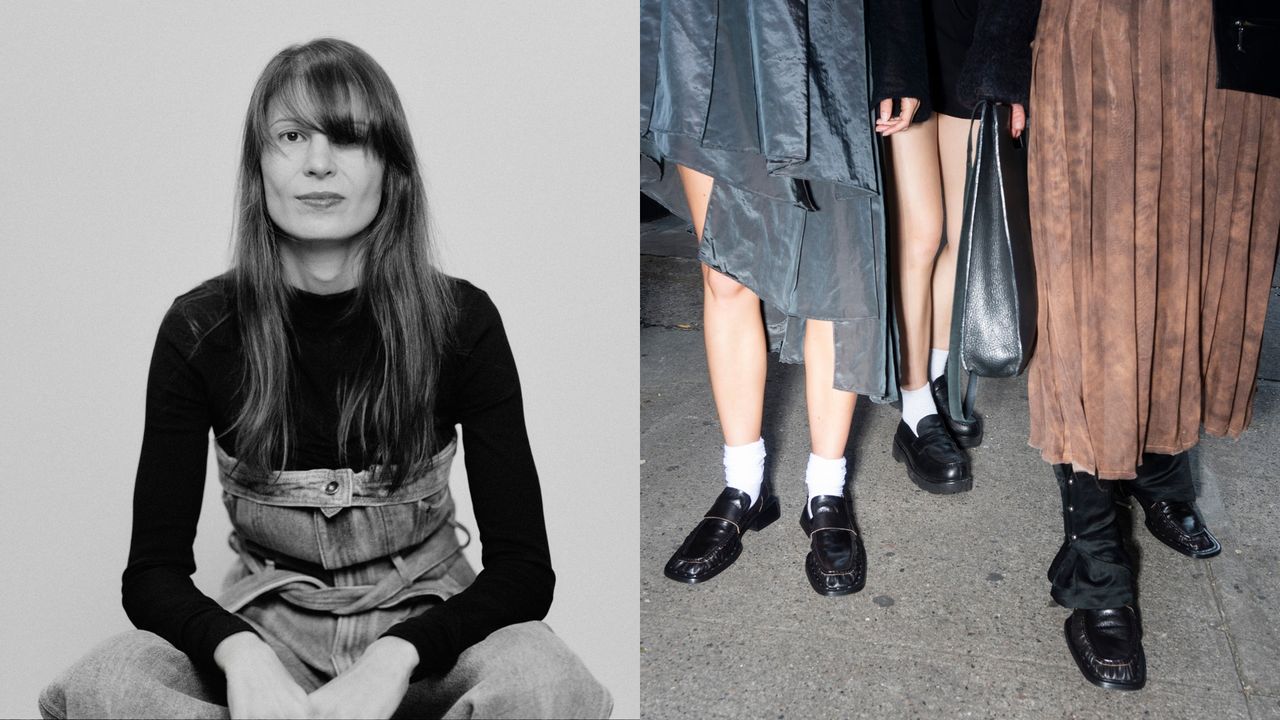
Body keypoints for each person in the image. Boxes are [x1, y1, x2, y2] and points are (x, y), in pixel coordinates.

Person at [38, 38, 611, 719]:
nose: (317, 163)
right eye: (290, 136)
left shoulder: (461, 321)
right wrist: (241, 654)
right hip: (265, 630)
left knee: (545, 682)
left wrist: (394, 658)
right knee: (110, 681)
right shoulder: (200, 330)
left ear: (389, 167)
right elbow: (151, 574)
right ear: (259, 167)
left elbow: (523, 571)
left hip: (430, 632)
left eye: (348, 138)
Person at [1027, 1, 1280, 690]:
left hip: (1230, 43)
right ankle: (1098, 566)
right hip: (1104, 40)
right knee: (1094, 304)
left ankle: (1159, 469)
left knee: (1194, 286)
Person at [641, 0, 926, 596]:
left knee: (836, 279)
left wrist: (899, 59)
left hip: (826, 32)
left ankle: (826, 488)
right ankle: (745, 487)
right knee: (724, 273)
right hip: (704, 29)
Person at [882, 0, 1040, 494]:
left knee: (966, 232)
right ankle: (914, 407)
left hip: (974, 37)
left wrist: (1008, 72)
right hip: (901, 31)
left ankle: (931, 376)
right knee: (923, 233)